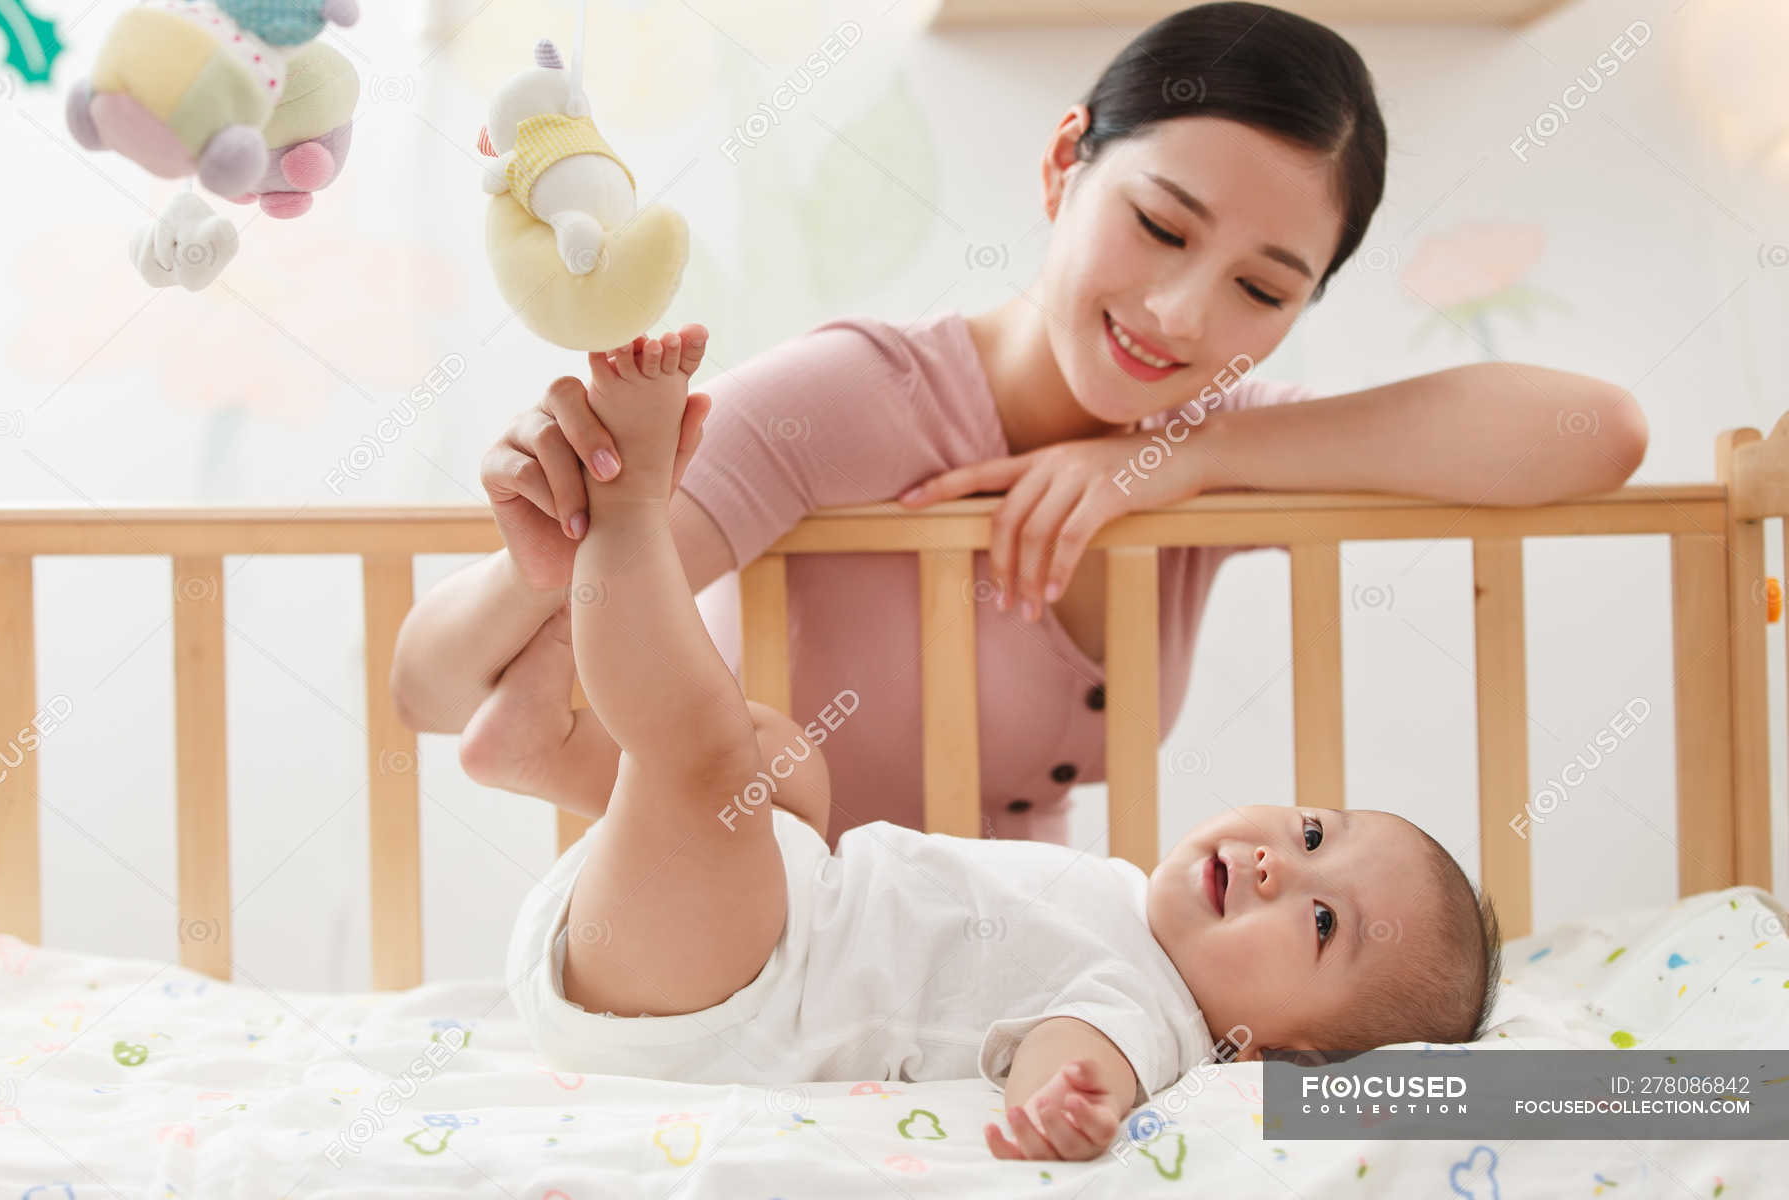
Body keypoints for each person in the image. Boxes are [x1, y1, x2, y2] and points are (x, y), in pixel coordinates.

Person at [390, 3, 1647, 847]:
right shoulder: (854, 399)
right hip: (755, 931)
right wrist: (542, 573)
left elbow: (1594, 434)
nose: (1179, 314)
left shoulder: (1210, 445)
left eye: (1264, 289)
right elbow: (434, 689)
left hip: (971, 978)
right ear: (1064, 167)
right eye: (1160, 225)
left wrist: (1180, 460)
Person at [502, 331, 1503, 1161]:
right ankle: (548, 748)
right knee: (781, 763)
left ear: (1269, 1058)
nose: (1274, 864)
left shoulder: (1152, 1011)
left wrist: (1065, 1102)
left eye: (1323, 922)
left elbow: (1077, 1052)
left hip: (722, 1002)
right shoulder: (1124, 903)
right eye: (1313, 833)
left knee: (710, 758)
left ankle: (629, 514)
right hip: (751, 912)